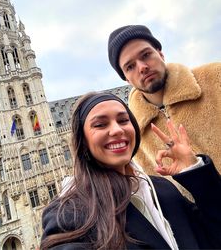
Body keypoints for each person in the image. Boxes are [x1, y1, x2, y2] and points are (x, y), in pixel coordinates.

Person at [40, 92, 221, 250]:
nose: (117, 130)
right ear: (83, 142)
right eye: (100, 125)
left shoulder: (162, 188)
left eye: (123, 120)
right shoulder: (67, 212)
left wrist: (195, 170)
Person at [108, 25, 221, 175]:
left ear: (160, 54)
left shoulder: (215, 78)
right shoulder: (135, 132)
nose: (142, 67)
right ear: (126, 79)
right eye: (130, 66)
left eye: (146, 55)